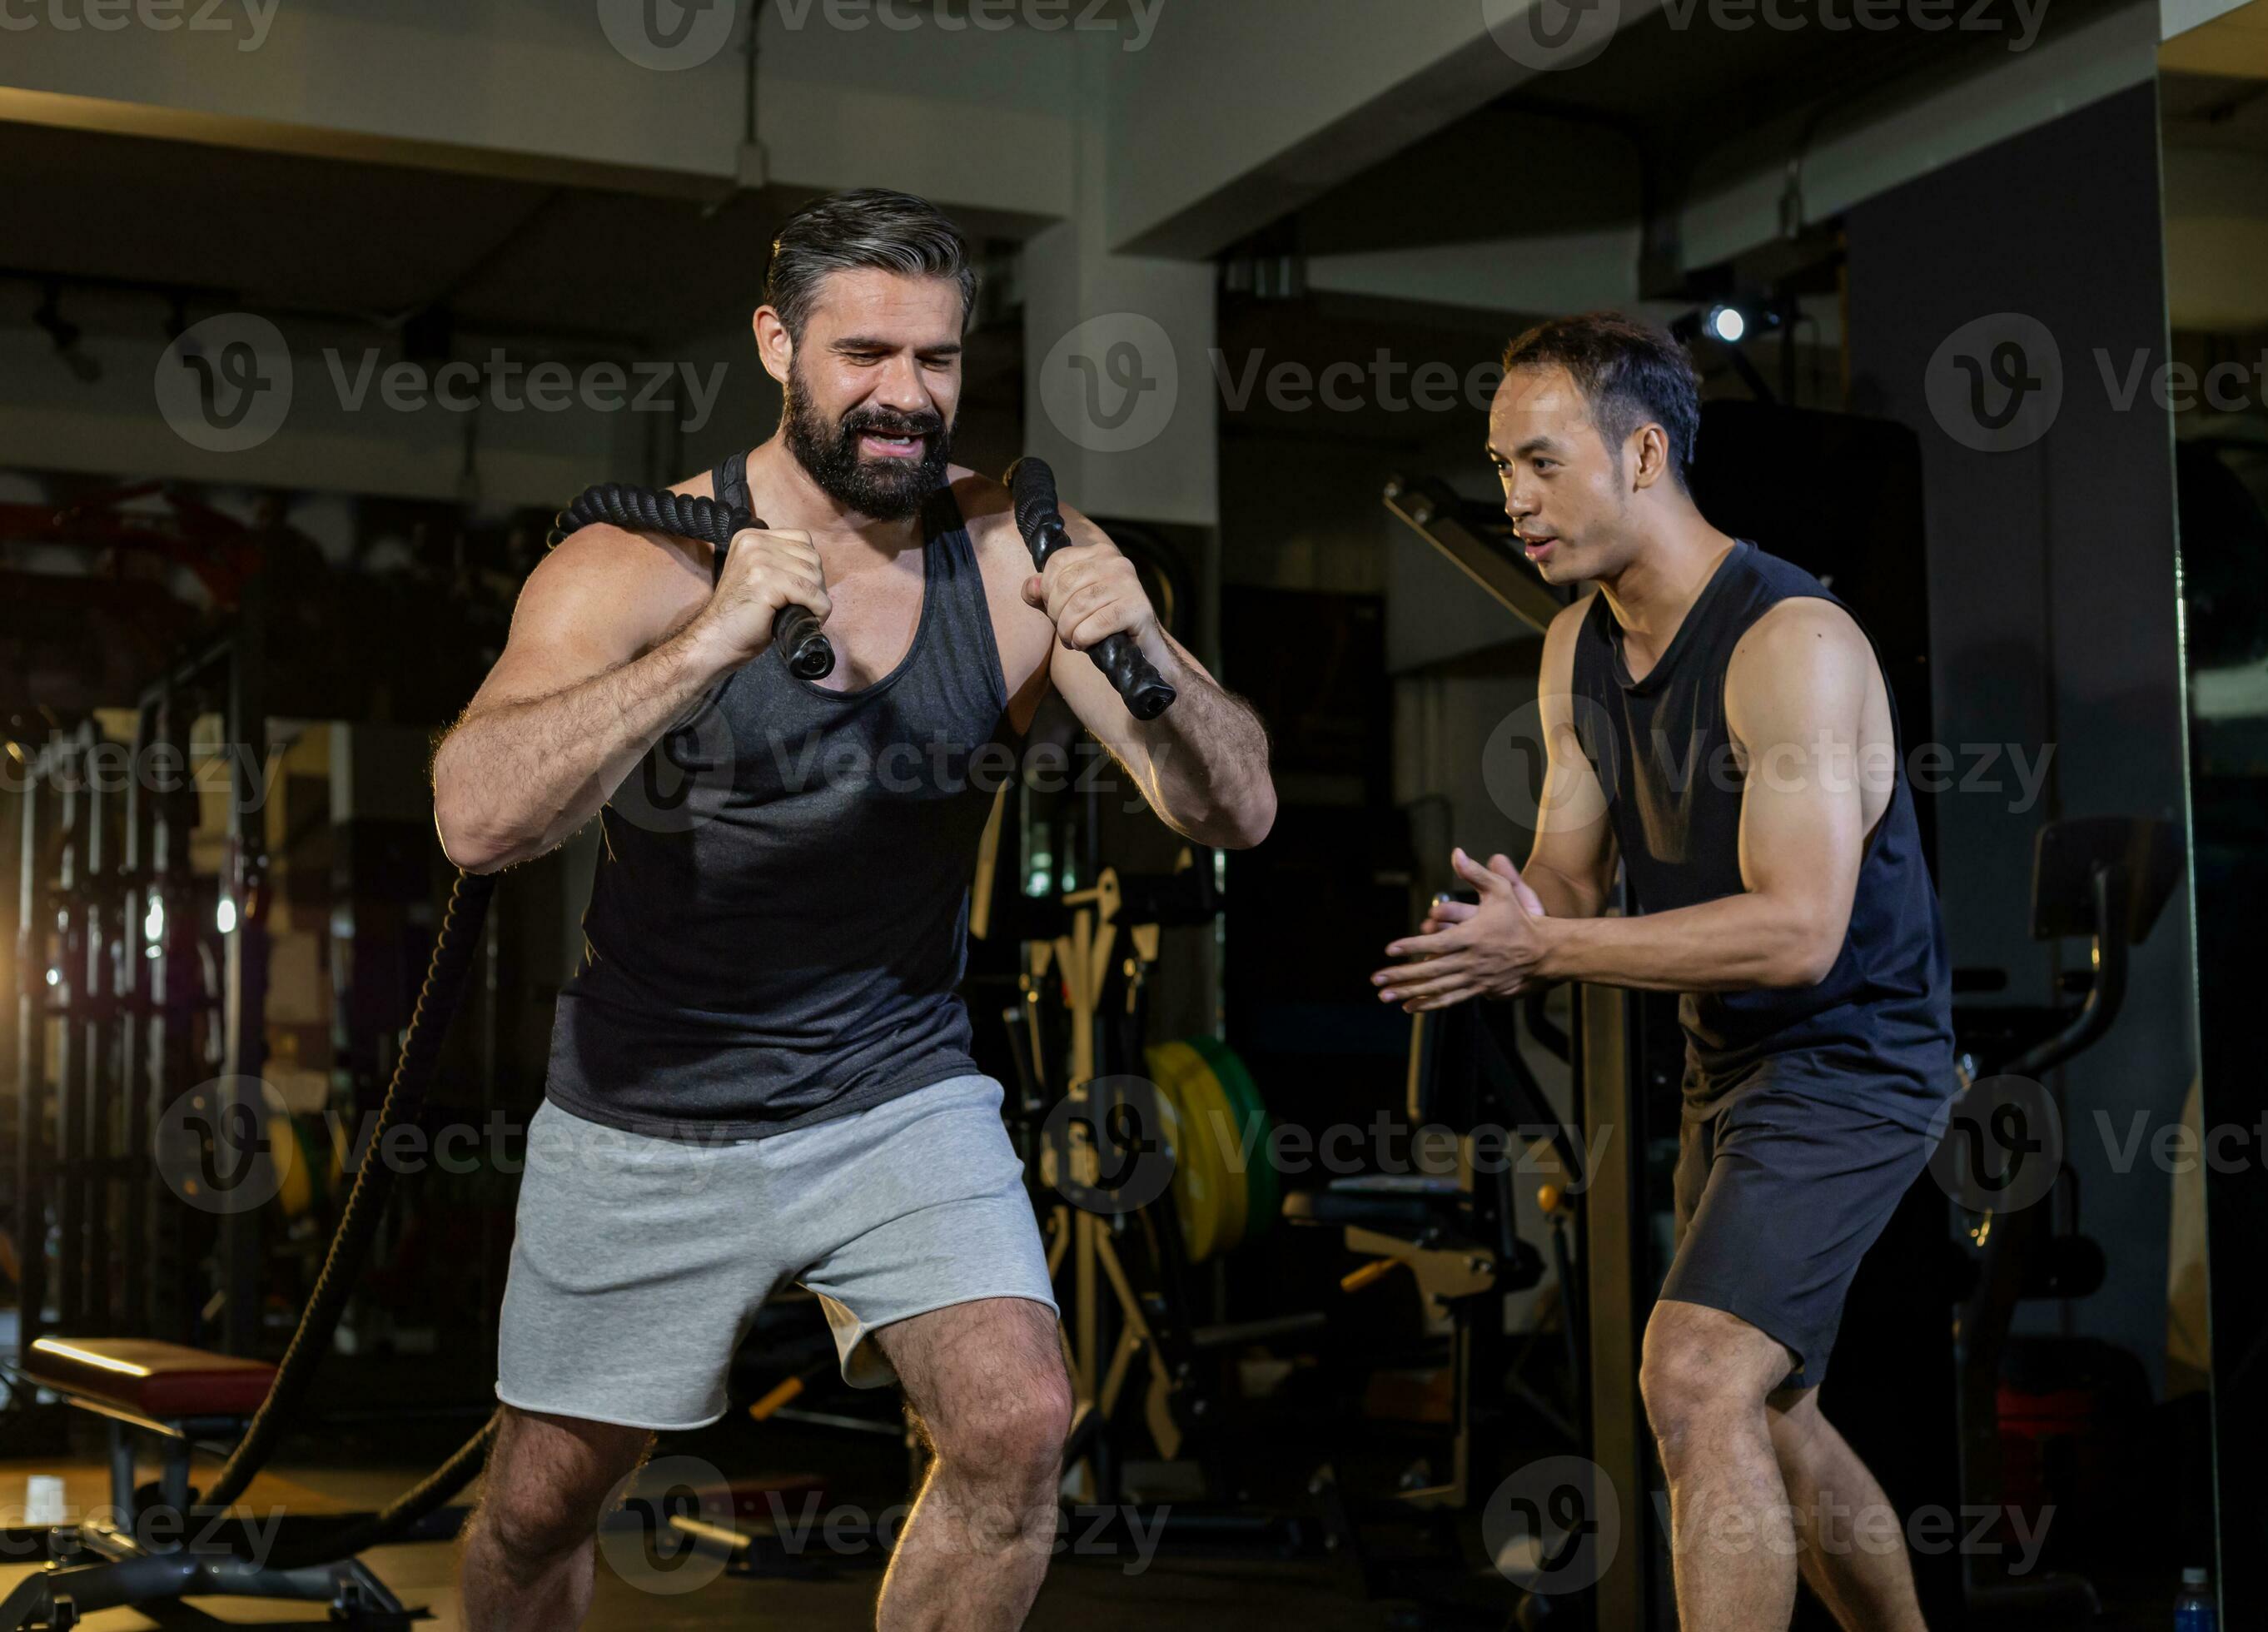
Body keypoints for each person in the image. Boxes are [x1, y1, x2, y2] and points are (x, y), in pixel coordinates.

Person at [430, 188, 1276, 1632]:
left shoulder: (1016, 558)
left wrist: (1141, 641)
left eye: (936, 362)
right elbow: (478, 815)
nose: (904, 396)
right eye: (864, 354)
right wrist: (710, 646)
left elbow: (1234, 809)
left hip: (893, 1089)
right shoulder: (644, 560)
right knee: (537, 1507)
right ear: (778, 344)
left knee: (1014, 1425)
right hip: (653, 1100)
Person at [1372, 312, 1954, 1631]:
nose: (1513, 499)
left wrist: (1553, 945)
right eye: (1500, 467)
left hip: (1854, 1062)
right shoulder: (1577, 644)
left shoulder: (1790, 642)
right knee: (1779, 1413)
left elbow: (1800, 931)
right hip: (1728, 1061)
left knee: (1691, 1376)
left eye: (1540, 463)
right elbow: (1569, 876)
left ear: (1643, 455)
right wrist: (1504, 931)